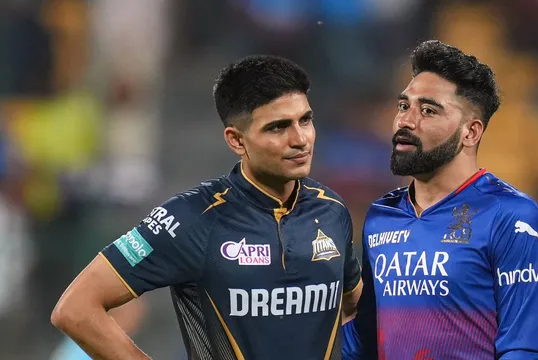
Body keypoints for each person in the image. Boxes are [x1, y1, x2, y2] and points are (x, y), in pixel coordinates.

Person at [51, 55, 362, 360]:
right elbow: (76, 309)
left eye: (305, 120)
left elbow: (356, 309)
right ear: (237, 140)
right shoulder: (190, 218)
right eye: (278, 127)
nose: (300, 139)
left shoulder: (331, 210)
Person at [342, 40, 538, 360]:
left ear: (470, 132)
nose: (405, 121)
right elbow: (364, 341)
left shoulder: (511, 216)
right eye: (404, 106)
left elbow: (524, 348)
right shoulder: (381, 216)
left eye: (428, 110)